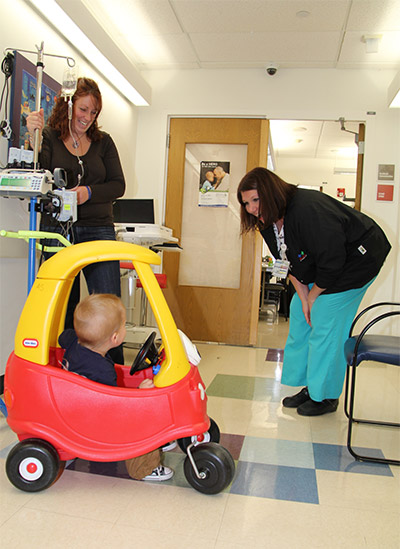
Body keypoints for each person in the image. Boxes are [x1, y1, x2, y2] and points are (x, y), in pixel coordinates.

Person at [237, 167, 391, 416]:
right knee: (299, 310)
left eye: (256, 200)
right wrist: (303, 295)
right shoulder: (267, 222)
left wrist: (313, 296)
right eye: (246, 203)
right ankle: (310, 385)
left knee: (325, 317)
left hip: (358, 260)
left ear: (271, 192)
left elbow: (333, 261)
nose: (251, 209)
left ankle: (326, 396)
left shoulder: (308, 208)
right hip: (328, 265)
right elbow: (285, 262)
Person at [27, 77, 125, 364]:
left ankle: (112, 374)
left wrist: (88, 192)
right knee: (63, 307)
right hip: (57, 229)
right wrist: (30, 134)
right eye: (84, 110)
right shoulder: (48, 138)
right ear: (68, 106)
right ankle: (69, 371)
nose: (88, 118)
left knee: (107, 307)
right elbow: (38, 175)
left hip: (98, 228)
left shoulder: (103, 143)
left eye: (94, 112)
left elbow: (118, 185)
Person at [59, 293, 174, 481]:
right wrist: (139, 394)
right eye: (124, 325)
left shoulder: (73, 340)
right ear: (114, 338)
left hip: (77, 413)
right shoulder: (102, 371)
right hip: (96, 427)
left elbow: (63, 336)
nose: (125, 328)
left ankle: (159, 441)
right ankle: (144, 468)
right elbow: (115, 405)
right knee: (142, 416)